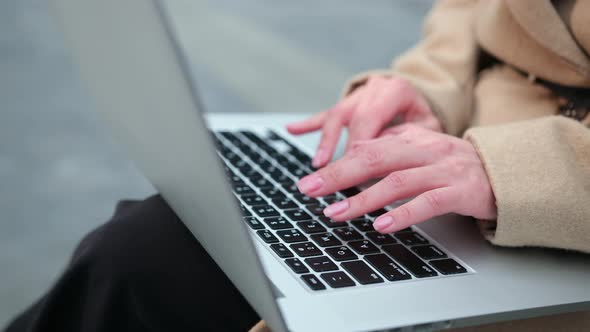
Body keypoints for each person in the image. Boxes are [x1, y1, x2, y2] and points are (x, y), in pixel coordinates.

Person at [5, 0, 589, 331]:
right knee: (142, 247)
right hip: (458, 154)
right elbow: (471, 12)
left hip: (563, 221)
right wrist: (424, 88)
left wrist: (514, 172)